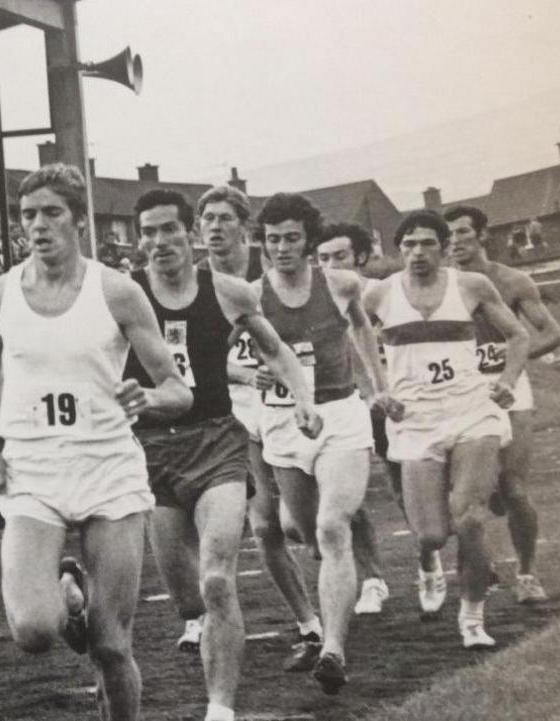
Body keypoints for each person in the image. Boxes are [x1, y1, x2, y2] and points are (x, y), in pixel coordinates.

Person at [0, 164, 192, 721]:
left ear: (79, 222)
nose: (38, 226)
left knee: (111, 646)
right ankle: (68, 592)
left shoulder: (118, 293)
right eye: (28, 216)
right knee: (32, 630)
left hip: (107, 469)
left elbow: (176, 388)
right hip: (34, 472)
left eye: (52, 213)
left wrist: (150, 398)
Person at [124, 188, 316, 720]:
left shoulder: (229, 293)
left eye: (169, 229)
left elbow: (276, 351)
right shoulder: (124, 295)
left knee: (216, 578)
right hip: (150, 452)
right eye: (148, 231)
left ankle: (221, 708)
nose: (159, 241)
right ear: (139, 240)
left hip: (216, 444)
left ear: (192, 234)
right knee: (190, 600)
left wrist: (303, 399)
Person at [363, 210, 530, 648]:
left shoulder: (470, 286)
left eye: (427, 244)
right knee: (433, 533)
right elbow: (348, 336)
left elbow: (519, 337)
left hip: (471, 411)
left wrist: (508, 381)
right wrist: (375, 389)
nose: (418, 253)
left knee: (470, 517)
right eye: (409, 245)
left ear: (443, 246)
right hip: (415, 421)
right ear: (398, 251)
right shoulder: (381, 293)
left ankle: (472, 616)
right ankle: (429, 563)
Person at [253, 194, 391, 693]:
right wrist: (249, 376)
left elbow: (364, 323)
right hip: (283, 423)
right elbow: (215, 356)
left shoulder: (340, 283)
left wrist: (378, 382)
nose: (282, 248)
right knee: (306, 531)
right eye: (273, 240)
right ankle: (335, 577)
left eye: (291, 238)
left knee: (334, 526)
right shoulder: (249, 296)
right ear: (263, 245)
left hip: (340, 415)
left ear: (308, 240)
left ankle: (333, 648)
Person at [194, 185, 322, 666]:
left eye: (225, 219)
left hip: (288, 400)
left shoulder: (271, 272)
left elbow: (298, 336)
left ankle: (349, 564)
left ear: (245, 229)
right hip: (234, 410)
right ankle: (309, 623)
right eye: (207, 220)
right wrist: (246, 372)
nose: (215, 229)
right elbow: (197, 361)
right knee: (263, 523)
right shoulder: (194, 284)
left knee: (306, 523)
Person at [445, 205, 560, 604]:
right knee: (463, 492)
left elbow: (550, 333)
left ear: (482, 235)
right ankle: (483, 563)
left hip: (510, 389)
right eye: (449, 236)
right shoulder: (442, 285)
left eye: (462, 232)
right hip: (461, 393)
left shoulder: (511, 281)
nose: (456, 242)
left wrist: (511, 363)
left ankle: (527, 572)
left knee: (511, 488)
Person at [313, 223, 403, 615]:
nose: (332, 265)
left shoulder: (381, 295)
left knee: (407, 490)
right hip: (351, 405)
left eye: (341, 257)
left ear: (361, 258)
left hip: (394, 399)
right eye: (323, 258)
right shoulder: (316, 299)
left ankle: (435, 556)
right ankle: (372, 578)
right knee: (352, 500)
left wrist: (383, 386)